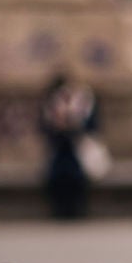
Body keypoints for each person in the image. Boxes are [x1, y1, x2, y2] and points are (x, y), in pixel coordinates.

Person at [39, 70, 100, 220]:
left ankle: (77, 208)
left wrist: (76, 125)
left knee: (77, 178)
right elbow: (43, 127)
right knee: (57, 178)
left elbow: (93, 125)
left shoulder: (84, 102)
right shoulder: (50, 104)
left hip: (77, 148)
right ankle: (60, 209)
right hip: (59, 149)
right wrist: (58, 126)